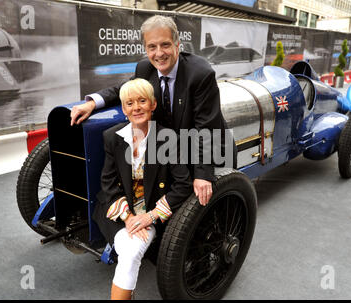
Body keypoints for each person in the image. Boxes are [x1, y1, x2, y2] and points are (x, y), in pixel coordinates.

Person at [70, 15, 235, 207]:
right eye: (152, 47)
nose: (159, 53)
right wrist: (92, 103)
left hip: (208, 148)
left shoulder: (200, 74)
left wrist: (202, 175)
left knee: (207, 206)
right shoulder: (145, 68)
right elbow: (123, 89)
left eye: (165, 45)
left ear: (177, 45)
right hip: (172, 149)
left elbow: (206, 129)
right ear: (145, 49)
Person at [92, 78, 192, 300]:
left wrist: (151, 216)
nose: (136, 107)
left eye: (142, 101)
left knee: (129, 253)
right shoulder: (112, 137)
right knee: (129, 252)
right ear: (123, 109)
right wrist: (127, 217)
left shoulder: (168, 138)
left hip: (152, 211)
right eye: (129, 103)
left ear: (153, 105)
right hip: (117, 211)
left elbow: (183, 185)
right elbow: (107, 183)